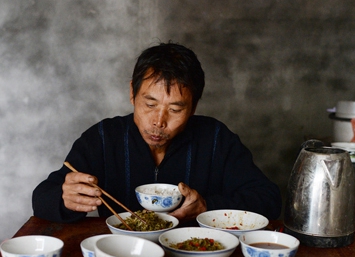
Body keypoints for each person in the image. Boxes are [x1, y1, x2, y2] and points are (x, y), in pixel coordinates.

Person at [32, 42, 281, 223]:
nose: (158, 121)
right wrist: (65, 198)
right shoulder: (104, 138)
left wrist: (207, 206)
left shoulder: (216, 139)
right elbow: (41, 198)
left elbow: (269, 199)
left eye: (174, 109)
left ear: (193, 106)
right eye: (150, 105)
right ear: (132, 93)